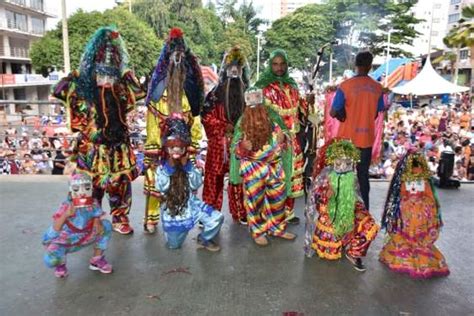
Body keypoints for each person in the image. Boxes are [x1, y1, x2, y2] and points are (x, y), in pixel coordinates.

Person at [52, 27, 145, 235]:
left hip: (118, 146)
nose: (106, 78)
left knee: (120, 184)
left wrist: (127, 75)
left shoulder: (121, 87)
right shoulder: (83, 87)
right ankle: (88, 220)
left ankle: (120, 217)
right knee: (90, 185)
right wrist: (75, 75)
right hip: (91, 148)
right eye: (102, 71)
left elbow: (140, 92)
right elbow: (57, 90)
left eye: (110, 71)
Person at [143, 27, 204, 234]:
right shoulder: (158, 94)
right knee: (154, 181)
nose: (176, 63)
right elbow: (152, 122)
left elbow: (195, 122)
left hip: (185, 148)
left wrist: (193, 147)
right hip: (162, 148)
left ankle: (188, 217)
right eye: (173, 58)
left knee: (191, 180)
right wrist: (153, 149)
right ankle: (151, 219)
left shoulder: (189, 94)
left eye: (180, 59)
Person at [230, 89, 296, 246]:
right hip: (253, 170)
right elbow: (235, 147)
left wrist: (283, 138)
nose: (255, 111)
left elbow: (285, 136)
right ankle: (258, 231)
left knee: (278, 200)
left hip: (274, 167)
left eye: (258, 106)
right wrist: (242, 146)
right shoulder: (242, 122)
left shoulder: (272, 117)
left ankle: (277, 228)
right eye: (251, 106)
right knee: (255, 202)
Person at [255, 49, 311, 225]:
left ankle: (288, 212)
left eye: (282, 64)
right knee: (274, 177)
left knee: (291, 175)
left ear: (287, 65)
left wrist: (309, 103)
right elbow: (257, 115)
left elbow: (301, 112)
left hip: (293, 140)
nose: (279, 68)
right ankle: (270, 214)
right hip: (274, 141)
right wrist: (275, 131)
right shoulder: (263, 87)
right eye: (275, 64)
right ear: (270, 65)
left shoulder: (292, 86)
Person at [304, 139, 379, 271]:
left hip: (349, 209)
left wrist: (356, 208)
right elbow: (314, 199)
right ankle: (342, 241)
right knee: (331, 240)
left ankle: (353, 252)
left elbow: (357, 197)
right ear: (332, 161)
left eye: (348, 163)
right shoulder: (325, 175)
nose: (343, 166)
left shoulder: (352, 175)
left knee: (369, 225)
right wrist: (325, 195)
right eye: (339, 162)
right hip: (329, 211)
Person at [156, 115, 223, 251]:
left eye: (180, 148)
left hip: (191, 205)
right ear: (167, 149)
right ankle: (174, 237)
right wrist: (169, 168)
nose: (176, 151)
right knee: (174, 246)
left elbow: (195, 184)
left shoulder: (189, 164)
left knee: (217, 218)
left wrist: (188, 167)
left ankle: (204, 239)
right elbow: (161, 187)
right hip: (173, 211)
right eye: (172, 147)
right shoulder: (162, 168)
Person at [380, 151, 449, 278]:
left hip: (418, 211)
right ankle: (411, 243)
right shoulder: (410, 179)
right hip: (410, 211)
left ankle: (415, 243)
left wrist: (424, 205)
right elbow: (403, 194)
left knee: (415, 224)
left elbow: (428, 197)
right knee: (408, 223)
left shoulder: (421, 179)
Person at [330, 51, 384, 210]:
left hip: (345, 141)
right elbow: (377, 111)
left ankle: (340, 211)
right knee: (363, 178)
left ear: (356, 65)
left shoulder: (345, 86)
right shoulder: (377, 87)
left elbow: (333, 112)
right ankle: (364, 212)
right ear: (369, 65)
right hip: (366, 140)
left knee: (342, 176)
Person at [201, 46, 248, 224]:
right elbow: (206, 117)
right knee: (214, 178)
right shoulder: (214, 94)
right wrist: (223, 127)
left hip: (241, 144)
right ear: (225, 70)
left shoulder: (248, 94)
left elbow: (254, 118)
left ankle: (241, 211)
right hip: (218, 144)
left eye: (237, 69)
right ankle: (209, 212)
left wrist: (242, 131)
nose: (234, 72)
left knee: (240, 178)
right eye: (230, 69)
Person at [42, 173, 113, 278]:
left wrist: (97, 221)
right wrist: (66, 215)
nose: (82, 193)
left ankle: (96, 259)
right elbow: (55, 228)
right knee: (51, 260)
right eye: (77, 188)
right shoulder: (66, 205)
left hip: (86, 235)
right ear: (71, 191)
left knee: (106, 226)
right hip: (66, 241)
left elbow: (97, 213)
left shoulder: (93, 203)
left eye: (87, 188)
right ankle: (60, 263)